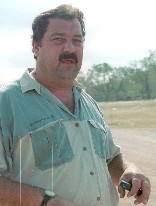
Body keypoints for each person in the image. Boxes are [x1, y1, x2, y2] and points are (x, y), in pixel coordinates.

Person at [0, 4, 151, 206]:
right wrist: (44, 201)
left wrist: (129, 169)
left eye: (77, 41)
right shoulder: (7, 102)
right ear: (36, 46)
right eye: (59, 39)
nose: (70, 48)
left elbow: (111, 159)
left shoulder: (88, 103)